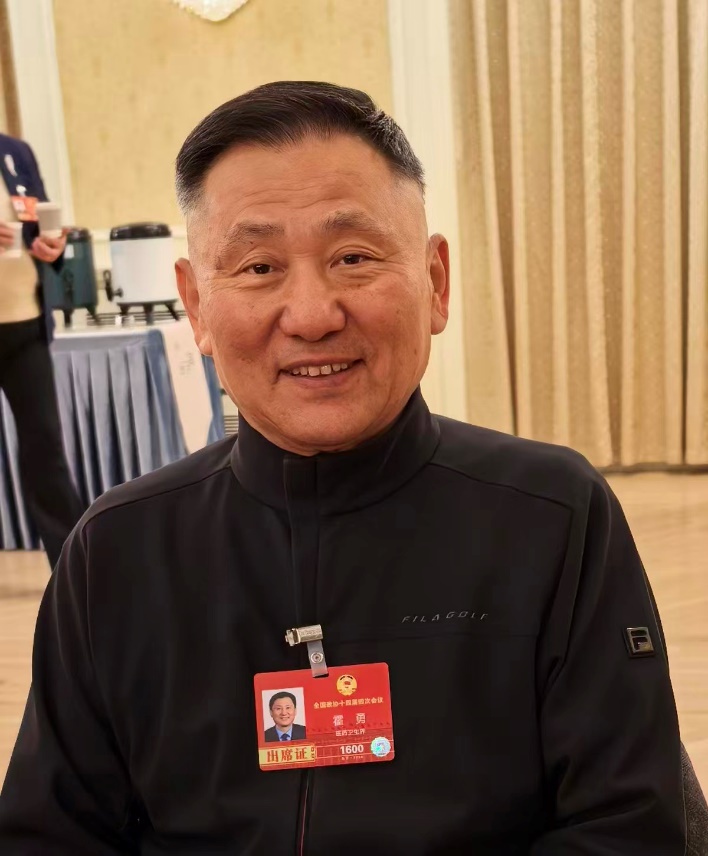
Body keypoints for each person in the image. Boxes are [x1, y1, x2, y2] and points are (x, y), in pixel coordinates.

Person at [0, 82, 687, 853]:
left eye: (352, 258)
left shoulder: (553, 517)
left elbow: (633, 827)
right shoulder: (117, 550)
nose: (312, 315)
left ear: (435, 282)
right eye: (258, 267)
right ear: (195, 306)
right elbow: (48, 835)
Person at [0, 133, 84, 570]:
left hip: (25, 325)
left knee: (45, 449)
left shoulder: (14, 152)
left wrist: (51, 247)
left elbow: (41, 228)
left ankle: (73, 568)